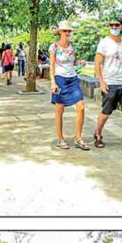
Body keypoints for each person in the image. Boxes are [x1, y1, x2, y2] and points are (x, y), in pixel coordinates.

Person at [93, 17, 122, 159]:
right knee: (106, 112)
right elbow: (97, 64)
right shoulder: (104, 43)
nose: (114, 27)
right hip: (111, 83)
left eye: (117, 25)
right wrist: (101, 82)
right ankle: (98, 132)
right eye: (111, 25)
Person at [49, 20, 90, 151]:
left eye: (69, 31)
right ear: (59, 32)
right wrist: (53, 82)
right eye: (65, 31)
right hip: (60, 79)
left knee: (81, 107)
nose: (67, 33)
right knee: (59, 110)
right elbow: (52, 66)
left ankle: (78, 137)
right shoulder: (54, 47)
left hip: (72, 78)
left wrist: (80, 62)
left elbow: (72, 62)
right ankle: (60, 139)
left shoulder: (73, 46)